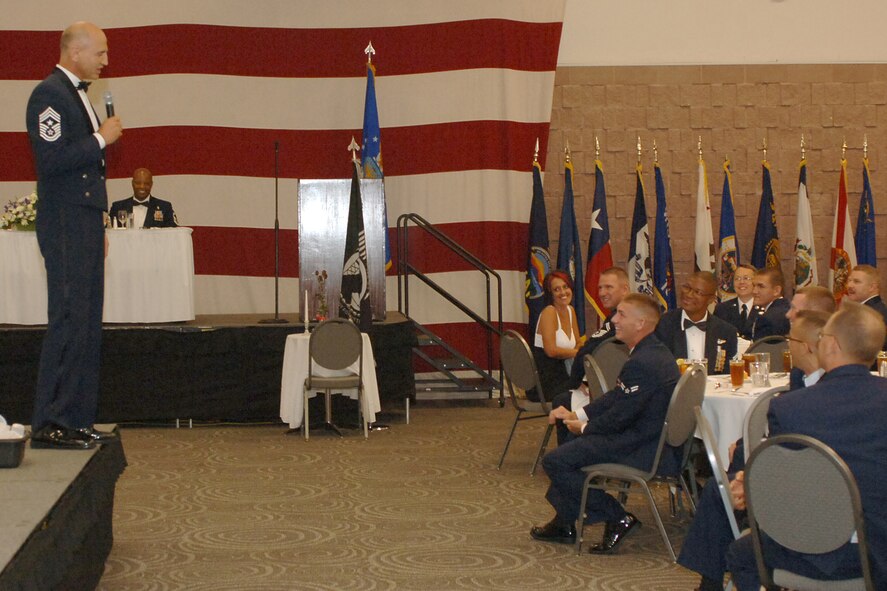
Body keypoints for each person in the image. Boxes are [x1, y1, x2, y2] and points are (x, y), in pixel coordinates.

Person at [726, 302, 887, 590]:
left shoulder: (790, 408)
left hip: (818, 549)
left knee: (741, 554)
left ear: (832, 345)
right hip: (881, 549)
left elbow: (784, 487)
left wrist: (749, 482)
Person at [677, 310, 830, 591]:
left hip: (809, 489)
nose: (786, 344)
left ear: (807, 346)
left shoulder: (822, 392)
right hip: (787, 465)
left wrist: (750, 469)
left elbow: (796, 447)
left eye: (790, 339)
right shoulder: (799, 377)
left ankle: (710, 580)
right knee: (722, 484)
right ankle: (709, 579)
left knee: (722, 491)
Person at [25, 22, 122, 449]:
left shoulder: (77, 95)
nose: (105, 60)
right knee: (67, 319)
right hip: (64, 221)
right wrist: (102, 138)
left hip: (81, 220)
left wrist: (96, 221)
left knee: (85, 322)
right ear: (75, 51)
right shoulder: (50, 95)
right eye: (99, 52)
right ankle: (51, 421)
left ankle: (77, 416)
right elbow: (51, 160)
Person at [531, 294, 680, 554]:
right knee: (569, 444)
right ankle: (565, 521)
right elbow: (617, 396)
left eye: (622, 314)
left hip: (640, 446)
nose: (614, 319)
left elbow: (620, 417)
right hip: (645, 437)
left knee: (556, 461)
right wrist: (579, 414)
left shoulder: (643, 362)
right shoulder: (653, 351)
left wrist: (584, 428)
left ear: (641, 323)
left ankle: (616, 516)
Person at [550, 266, 630, 445]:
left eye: (609, 287)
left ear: (625, 289)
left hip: (618, 391)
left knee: (562, 399)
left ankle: (570, 454)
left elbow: (587, 351)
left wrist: (579, 382)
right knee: (563, 397)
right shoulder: (616, 316)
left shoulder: (624, 319)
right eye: (600, 287)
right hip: (607, 386)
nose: (602, 292)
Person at [655, 271, 738, 375]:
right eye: (687, 288)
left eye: (698, 292)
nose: (689, 295)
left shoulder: (726, 331)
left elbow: (726, 375)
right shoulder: (664, 324)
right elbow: (658, 367)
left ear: (711, 299)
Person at [528, 270, 581, 402]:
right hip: (546, 381)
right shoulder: (549, 312)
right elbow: (551, 351)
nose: (563, 292)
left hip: (565, 374)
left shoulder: (571, 311)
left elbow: (578, 343)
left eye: (565, 287)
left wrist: (580, 351)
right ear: (550, 293)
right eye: (556, 289)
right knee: (588, 391)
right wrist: (578, 353)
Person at [109, 168, 177, 228]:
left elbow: (173, 233)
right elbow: (107, 233)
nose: (142, 187)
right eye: (138, 183)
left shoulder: (165, 207)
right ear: (132, 183)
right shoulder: (117, 207)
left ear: (151, 184)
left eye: (146, 183)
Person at [714, 264, 756, 339]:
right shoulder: (722, 309)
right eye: (737, 279)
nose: (741, 282)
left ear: (756, 282)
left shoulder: (764, 308)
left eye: (746, 278)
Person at [748, 267, 790, 340]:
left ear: (776, 290)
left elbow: (759, 350)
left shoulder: (767, 319)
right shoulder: (789, 309)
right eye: (754, 286)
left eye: (761, 286)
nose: (754, 291)